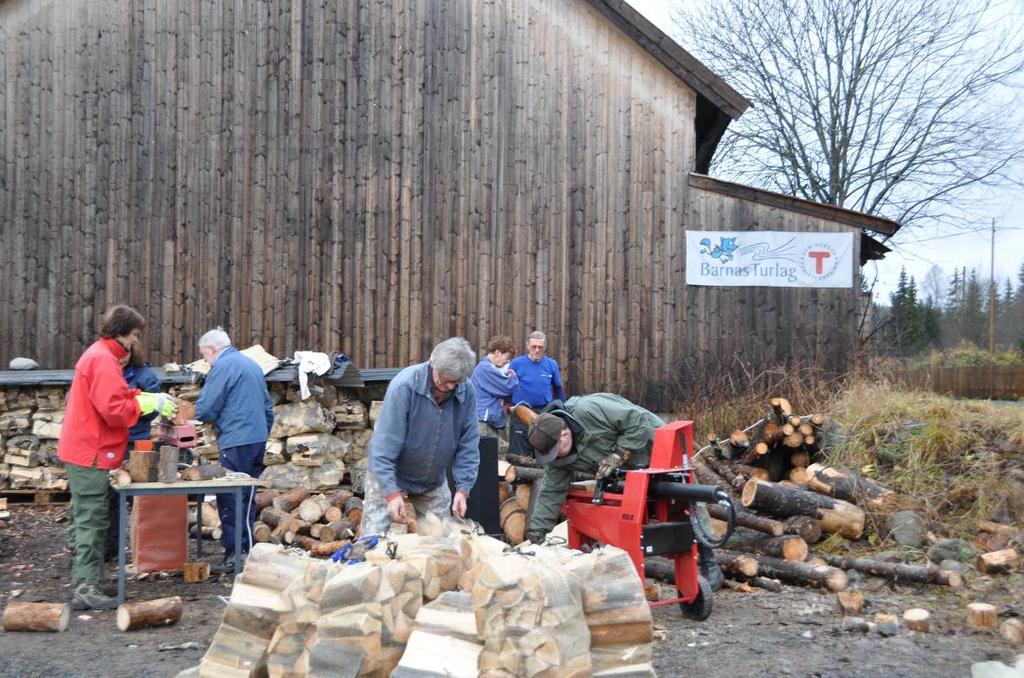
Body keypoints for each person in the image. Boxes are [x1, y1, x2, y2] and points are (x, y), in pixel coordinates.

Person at [522, 393, 722, 588]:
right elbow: (551, 491)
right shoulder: (557, 455)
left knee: (690, 501)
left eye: (555, 451)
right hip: (627, 472)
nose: (555, 457)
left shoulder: (590, 409)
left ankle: (708, 561)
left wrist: (618, 454)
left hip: (656, 446)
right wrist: (537, 534)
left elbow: (638, 420)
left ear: (564, 433)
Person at [59, 305, 176, 610]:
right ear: (123, 332)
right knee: (91, 518)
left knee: (87, 515)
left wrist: (143, 397)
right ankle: (85, 585)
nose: (136, 341)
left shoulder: (100, 356)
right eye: (135, 334)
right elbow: (113, 410)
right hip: (92, 451)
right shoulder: (103, 360)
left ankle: (86, 580)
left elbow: (117, 396)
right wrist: (144, 405)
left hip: (88, 449)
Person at [361, 337, 480, 535]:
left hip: (432, 479)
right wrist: (391, 492)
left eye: (456, 381)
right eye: (446, 379)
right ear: (433, 363)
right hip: (391, 474)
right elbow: (383, 445)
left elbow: (468, 443)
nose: (451, 386)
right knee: (373, 541)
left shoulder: (466, 391)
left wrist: (463, 488)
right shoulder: (404, 386)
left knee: (442, 546)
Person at [193, 328, 275, 571]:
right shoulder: (252, 365)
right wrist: (261, 433)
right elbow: (268, 408)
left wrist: (195, 416)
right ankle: (247, 550)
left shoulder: (223, 367)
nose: (206, 360)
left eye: (204, 355)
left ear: (211, 349)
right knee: (247, 495)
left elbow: (206, 408)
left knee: (229, 496)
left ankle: (234, 553)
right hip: (256, 438)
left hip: (236, 440)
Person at [102, 342, 162, 562]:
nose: (123, 357)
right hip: (109, 442)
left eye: (127, 353)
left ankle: (146, 550)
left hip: (136, 442)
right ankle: (110, 548)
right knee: (111, 498)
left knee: (140, 498)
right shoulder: (107, 369)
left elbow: (153, 409)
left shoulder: (145, 375)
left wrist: (133, 410)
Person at [508, 331, 565, 455]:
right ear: (528, 346)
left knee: (542, 449)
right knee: (519, 450)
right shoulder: (516, 363)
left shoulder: (551, 364)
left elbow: (558, 388)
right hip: (521, 412)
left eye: (540, 347)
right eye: (534, 347)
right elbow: (506, 387)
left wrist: (562, 410)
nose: (537, 350)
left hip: (543, 413)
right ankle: (519, 473)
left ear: (544, 347)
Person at [471, 335, 518, 457]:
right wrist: (512, 374)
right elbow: (509, 386)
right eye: (507, 357)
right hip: (484, 424)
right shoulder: (486, 369)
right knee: (490, 458)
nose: (508, 362)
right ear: (497, 352)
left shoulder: (488, 368)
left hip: (487, 421)